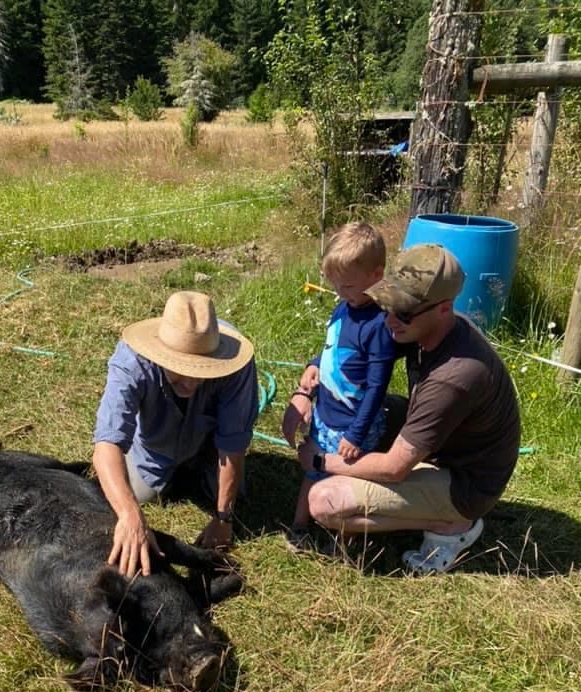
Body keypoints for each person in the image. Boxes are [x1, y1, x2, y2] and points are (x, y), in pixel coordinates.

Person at [293, 243, 521, 573]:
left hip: (465, 482)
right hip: (446, 445)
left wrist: (320, 459)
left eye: (402, 311)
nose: (389, 319)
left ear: (444, 309)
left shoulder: (454, 377)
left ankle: (454, 526)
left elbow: (394, 468)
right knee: (368, 410)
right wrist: (308, 380)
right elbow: (357, 354)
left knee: (325, 501)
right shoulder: (421, 327)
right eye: (387, 304)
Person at [93, 290, 258, 578]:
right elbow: (107, 444)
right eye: (180, 370)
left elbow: (232, 445)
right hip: (155, 447)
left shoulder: (237, 366)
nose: (191, 382)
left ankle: (199, 472)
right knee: (139, 495)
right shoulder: (131, 362)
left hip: (211, 446)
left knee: (236, 495)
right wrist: (130, 516)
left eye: (202, 370)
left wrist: (223, 517)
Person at [282, 223, 396, 546]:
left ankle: (343, 539)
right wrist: (314, 366)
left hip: (353, 424)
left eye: (346, 285)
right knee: (313, 470)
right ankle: (299, 527)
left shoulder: (379, 326)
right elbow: (331, 347)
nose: (339, 292)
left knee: (344, 480)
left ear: (376, 276)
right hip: (326, 414)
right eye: (334, 284)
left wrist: (357, 434)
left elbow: (376, 387)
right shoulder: (343, 308)